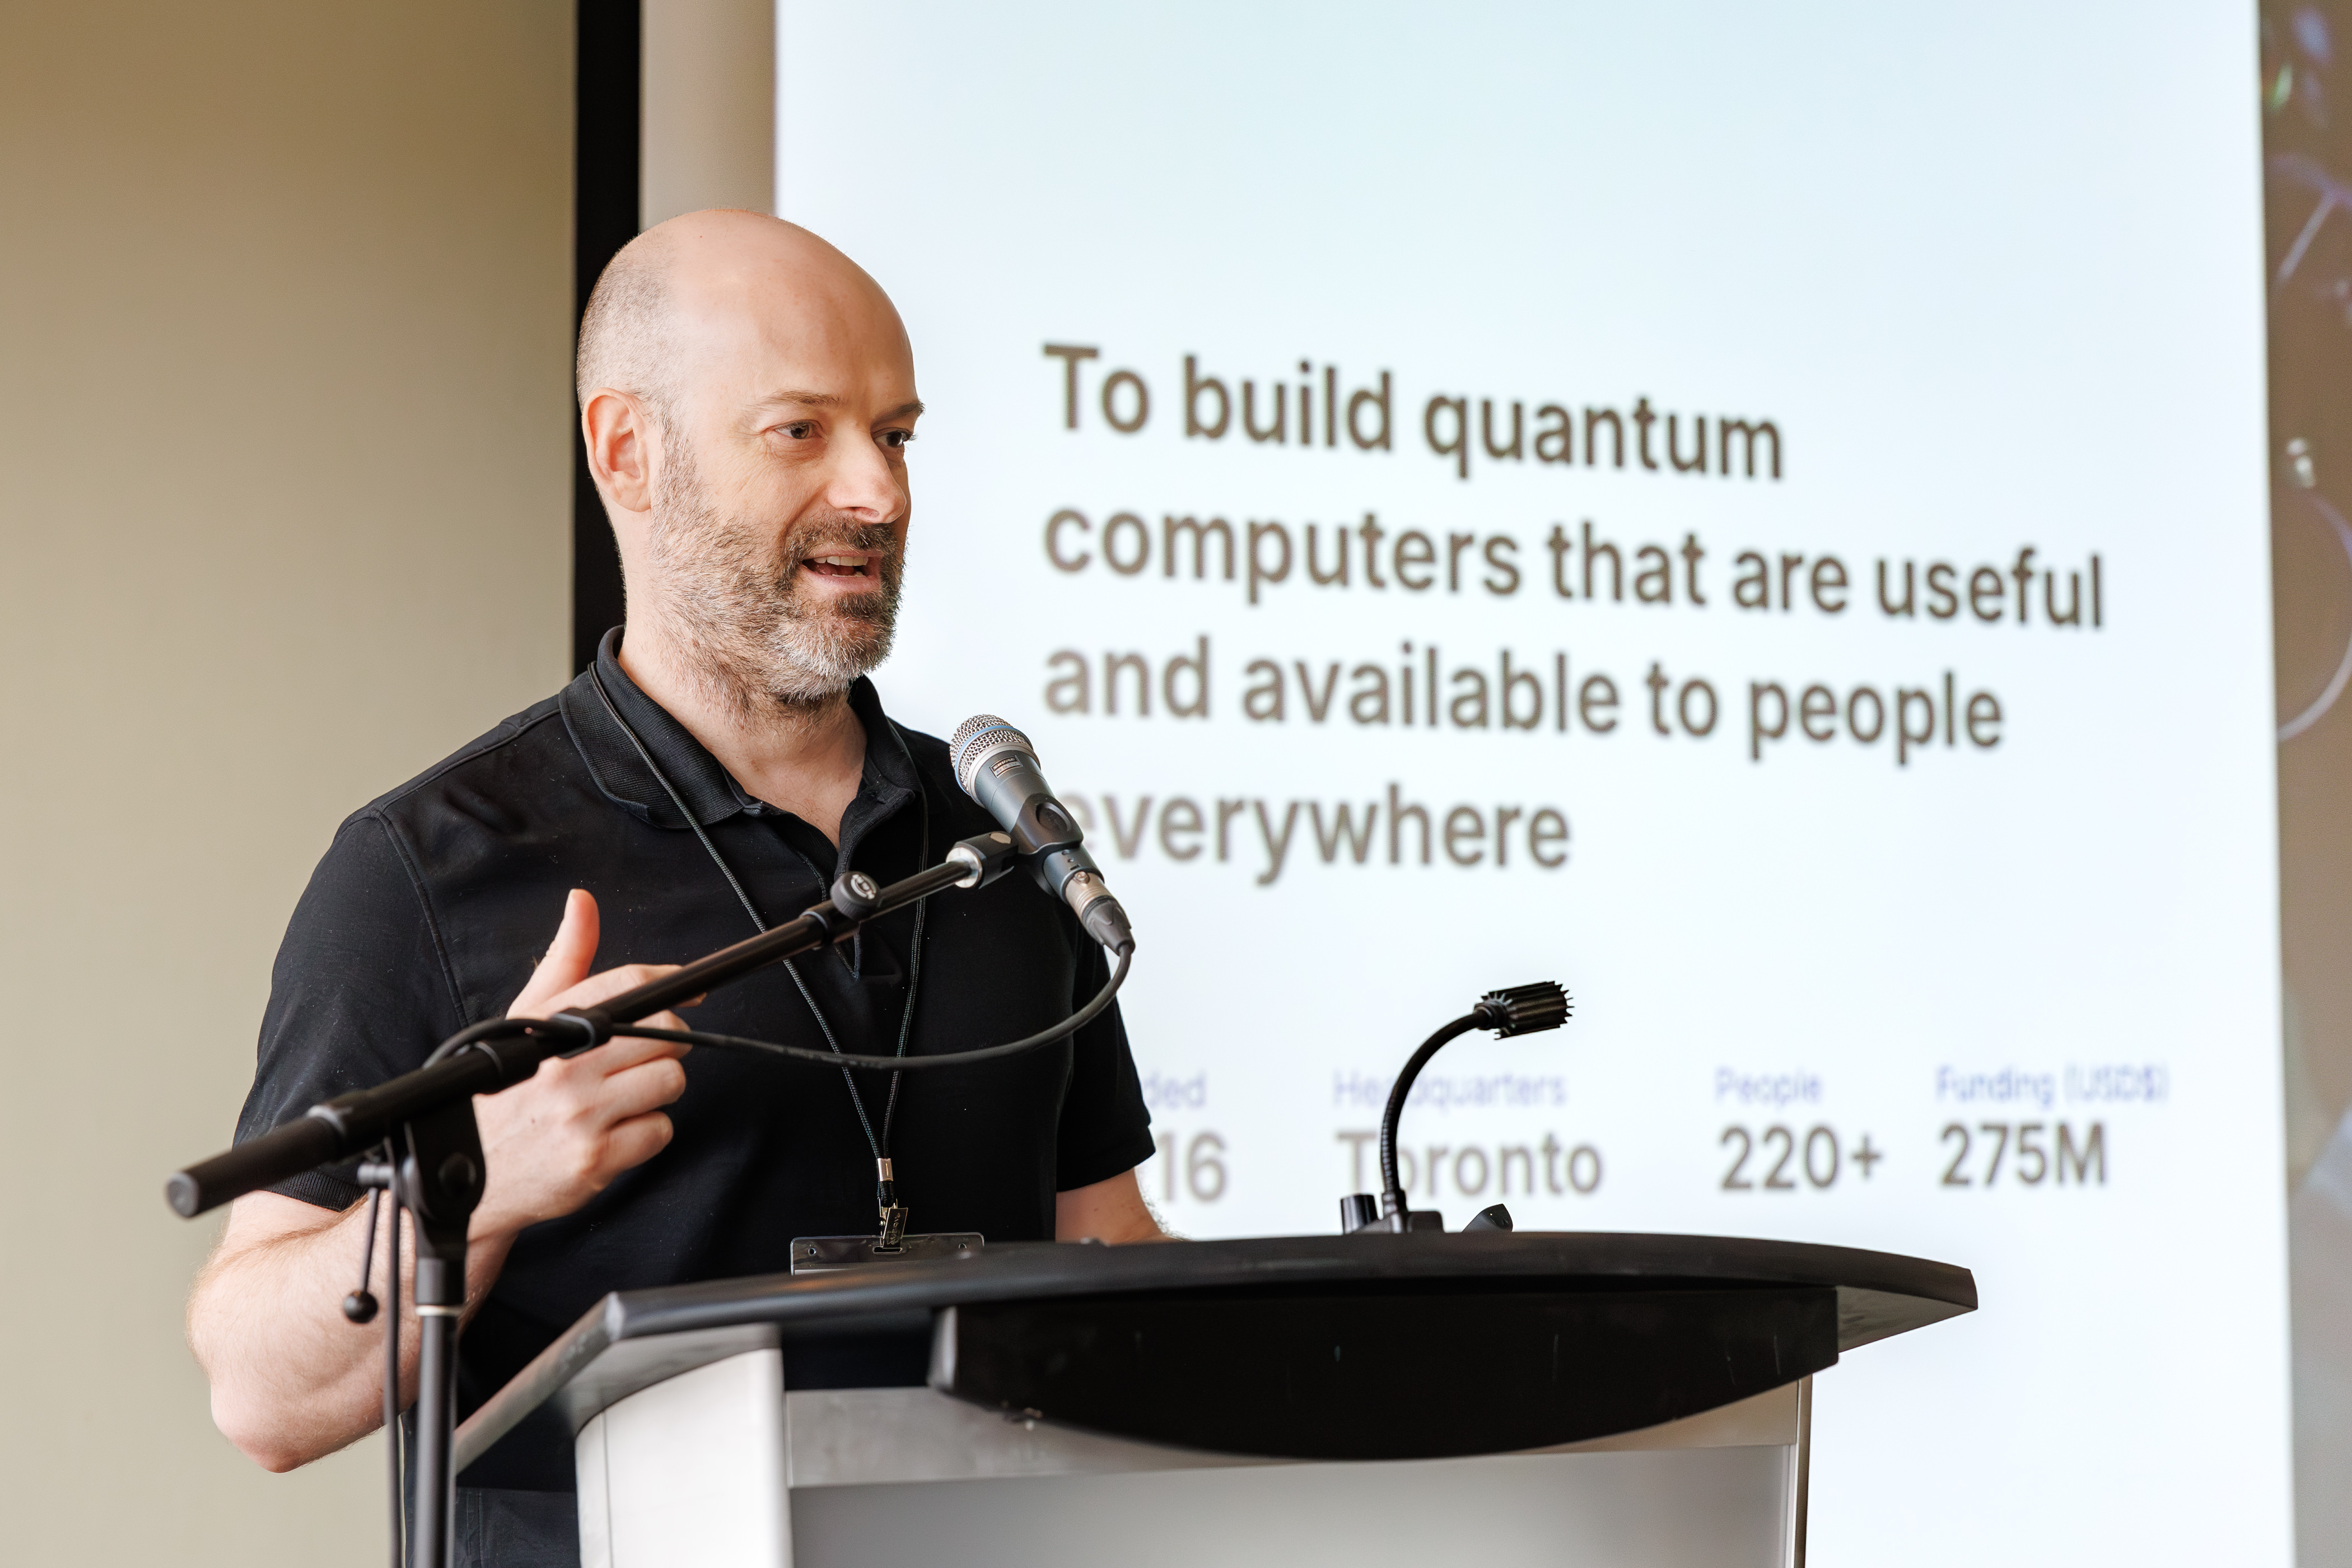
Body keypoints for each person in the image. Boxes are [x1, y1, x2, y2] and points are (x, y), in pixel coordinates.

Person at [186, 210, 1164, 1564]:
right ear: (627, 450)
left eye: (896, 434)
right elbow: (258, 1389)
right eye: (801, 430)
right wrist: (491, 1177)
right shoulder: (432, 865)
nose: (878, 493)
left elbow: (1103, 1239)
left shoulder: (999, 840)